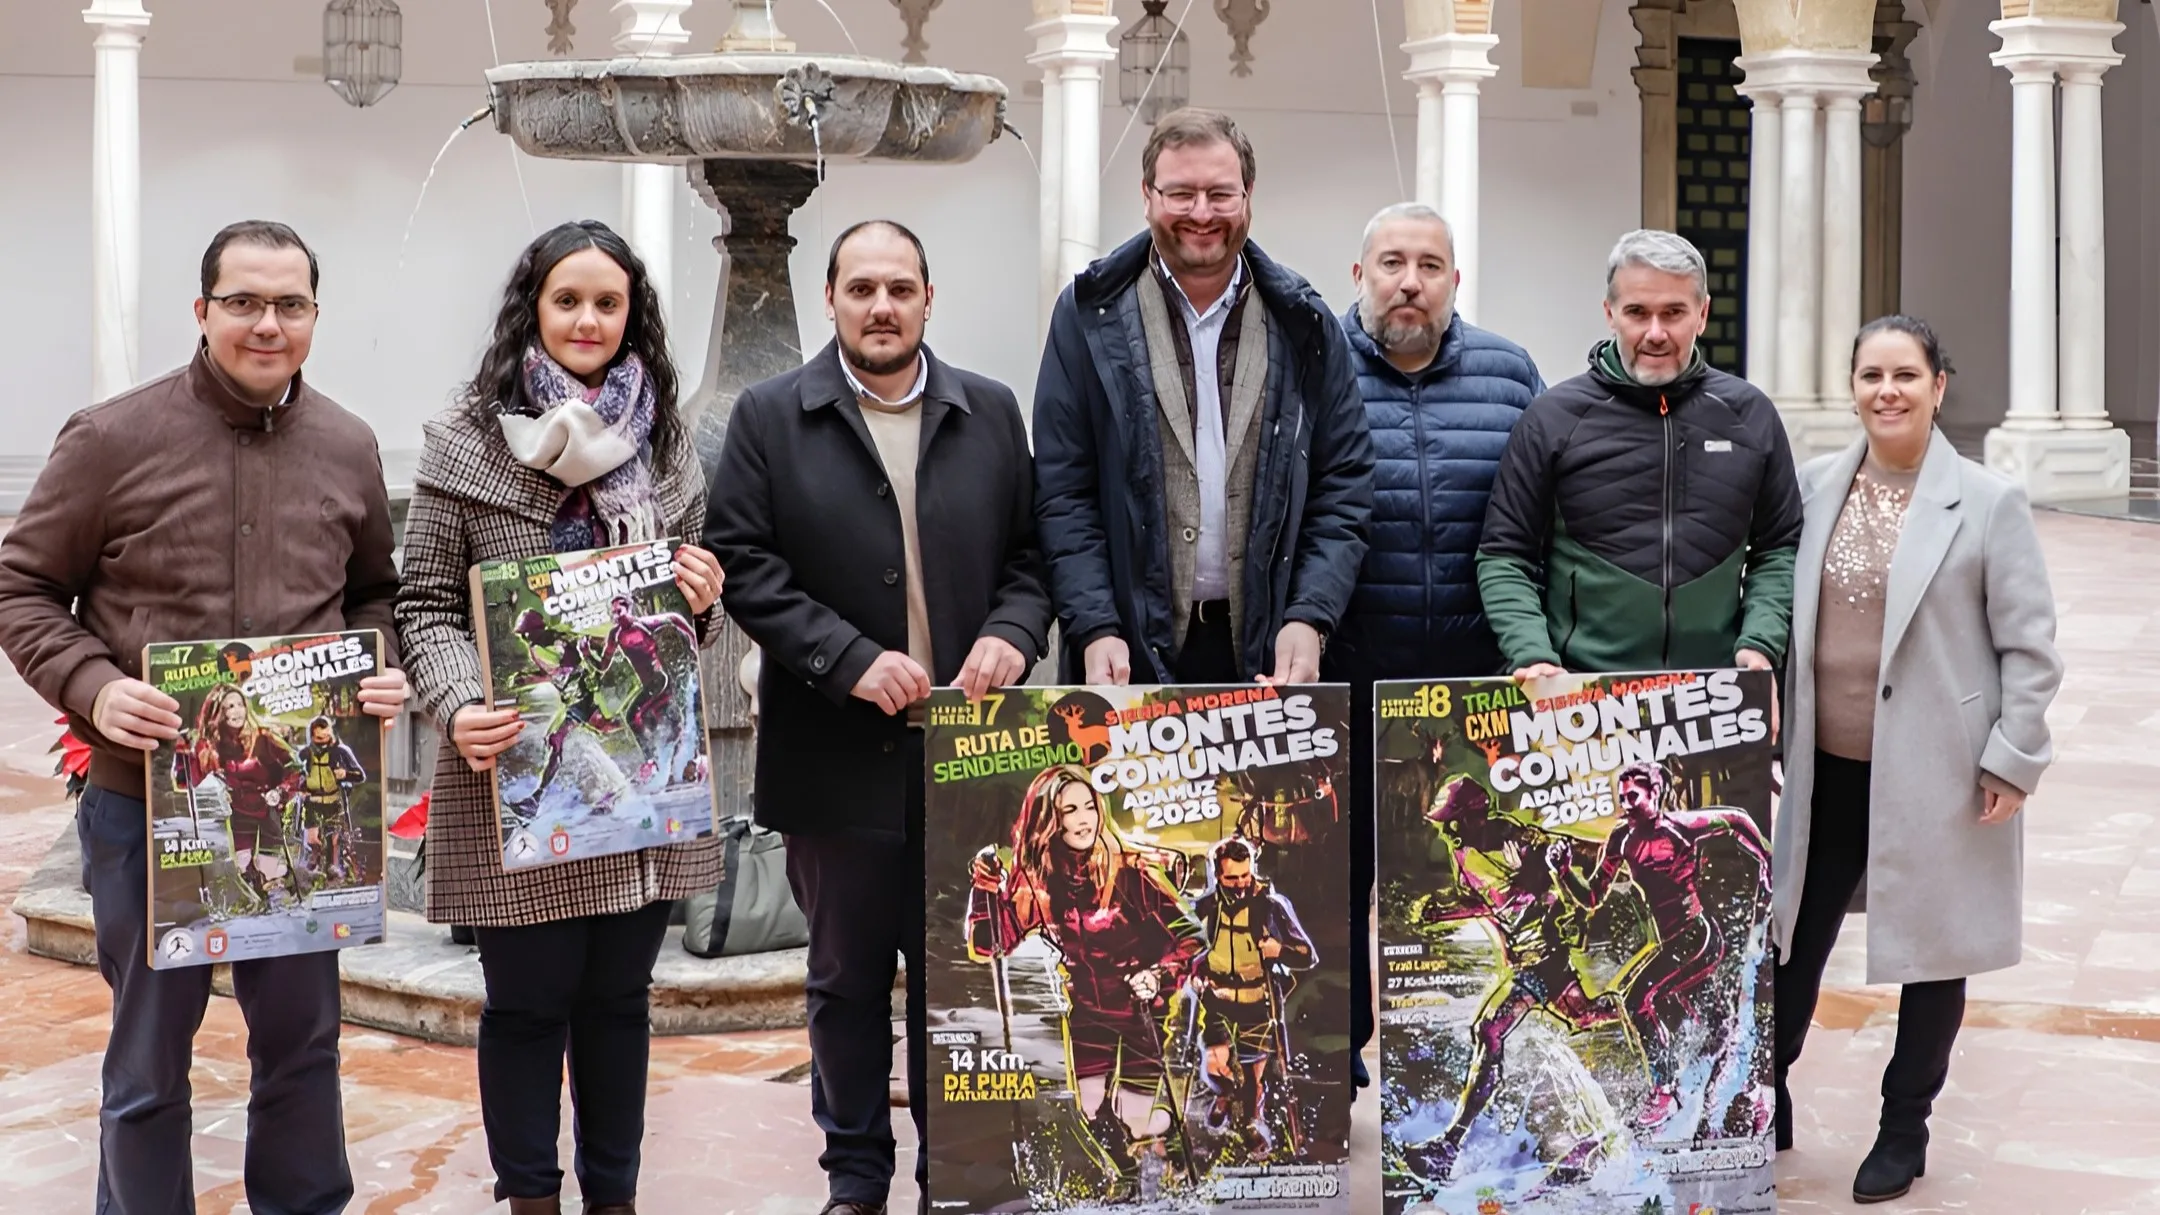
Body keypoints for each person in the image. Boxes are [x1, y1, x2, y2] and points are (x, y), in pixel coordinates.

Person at [0, 219, 409, 1215]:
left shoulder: (349, 445)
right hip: (147, 809)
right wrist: (95, 687)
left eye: (290, 304)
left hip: (295, 819)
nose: (267, 324)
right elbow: (21, 589)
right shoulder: (110, 439)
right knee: (149, 1064)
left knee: (303, 1050)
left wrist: (375, 667)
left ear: (314, 315)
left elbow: (373, 596)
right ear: (202, 311)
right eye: (244, 303)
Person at [704, 219, 1052, 1215]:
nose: (882, 306)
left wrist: (1014, 636)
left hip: (971, 759)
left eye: (901, 287)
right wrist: (846, 660)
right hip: (833, 753)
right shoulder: (773, 415)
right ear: (831, 300)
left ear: (929, 299)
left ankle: (960, 1175)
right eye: (862, 288)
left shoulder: (988, 410)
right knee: (847, 981)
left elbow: (1032, 558)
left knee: (962, 975)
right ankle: (855, 1178)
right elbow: (745, 567)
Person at [394, 219, 725, 1215]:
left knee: (621, 1005)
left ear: (633, 317)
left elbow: (691, 620)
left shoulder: (666, 446)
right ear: (532, 310)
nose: (588, 319)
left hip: (638, 784)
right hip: (518, 776)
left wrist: (704, 600)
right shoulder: (465, 438)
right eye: (568, 300)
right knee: (530, 1008)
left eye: (608, 303)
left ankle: (613, 1199)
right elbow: (425, 605)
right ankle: (532, 1199)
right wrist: (460, 706)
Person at [1770, 316, 2062, 1204]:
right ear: (1852, 386)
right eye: (1870, 375)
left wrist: (2013, 755)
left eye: (1905, 374)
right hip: (1827, 768)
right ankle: (1762, 1095)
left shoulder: (1988, 501)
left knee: (1934, 955)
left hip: (1941, 769)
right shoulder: (1816, 486)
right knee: (1786, 945)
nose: (1886, 391)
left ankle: (1905, 1130)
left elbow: (2031, 645)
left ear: (1940, 385)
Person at [1033, 106, 1373, 688]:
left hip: (1270, 656)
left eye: (1221, 194)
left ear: (1248, 196)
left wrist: (1311, 615)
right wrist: (1093, 624)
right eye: (1181, 194)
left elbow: (1344, 483)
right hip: (1127, 650)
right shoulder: (1088, 317)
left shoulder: (1305, 322)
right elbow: (1065, 490)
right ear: (1147, 195)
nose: (1201, 214)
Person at [1325, 201, 1544, 1087]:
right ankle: (1338, 1065)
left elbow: (1536, 521)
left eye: (1428, 264)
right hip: (1346, 672)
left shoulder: (1509, 373)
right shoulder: (1314, 366)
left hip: (1467, 693)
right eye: (1390, 263)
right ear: (1360, 276)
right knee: (1335, 882)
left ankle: (1442, 1069)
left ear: (1456, 279)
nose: (1408, 281)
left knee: (1448, 888)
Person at [1477, 229, 1803, 684]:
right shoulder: (1552, 419)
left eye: (1673, 313)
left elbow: (1778, 547)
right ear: (1610, 314)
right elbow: (1504, 554)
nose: (1655, 333)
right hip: (1583, 697)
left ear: (1703, 314)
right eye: (1637, 313)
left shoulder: (1750, 416)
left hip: (1715, 694)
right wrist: (1530, 650)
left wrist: (1760, 643)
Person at [967, 764, 1205, 1195]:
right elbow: (991, 944)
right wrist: (985, 890)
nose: (1083, 820)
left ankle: (1169, 1137)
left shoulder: (1131, 869)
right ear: (1048, 821)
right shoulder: (1037, 880)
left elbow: (1191, 936)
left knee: (1135, 1117)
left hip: (1140, 1007)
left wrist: (1158, 973)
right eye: (1068, 811)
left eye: (1089, 807)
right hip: (1087, 1011)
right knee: (1091, 1109)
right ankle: (1129, 1178)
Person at [1547, 759, 1771, 1132]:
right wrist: (1563, 871)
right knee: (1710, 1026)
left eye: (1633, 796)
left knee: (1637, 1000)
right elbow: (1590, 898)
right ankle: (1746, 1097)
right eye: (1622, 797)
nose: (1626, 804)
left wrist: (1765, 858)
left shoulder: (1683, 828)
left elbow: (1737, 820)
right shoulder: (1621, 839)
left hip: (1697, 939)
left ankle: (1665, 1091)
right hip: (1670, 943)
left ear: (1655, 794)